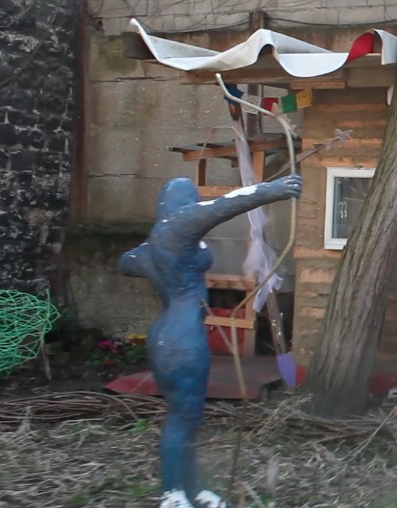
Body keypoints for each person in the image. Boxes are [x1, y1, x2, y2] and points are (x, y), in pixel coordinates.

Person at [120, 175, 302, 508]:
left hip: (169, 332)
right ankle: (172, 494)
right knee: (183, 416)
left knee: (189, 414)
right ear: (181, 203)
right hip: (181, 337)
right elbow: (224, 206)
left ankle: (192, 488)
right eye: (191, 198)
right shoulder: (178, 225)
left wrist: (156, 254)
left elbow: (126, 263)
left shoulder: (156, 243)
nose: (195, 204)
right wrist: (275, 190)